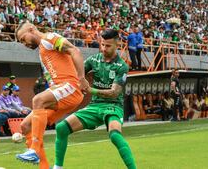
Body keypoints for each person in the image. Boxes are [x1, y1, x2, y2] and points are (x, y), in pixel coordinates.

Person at [52, 29, 136, 169]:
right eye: (102, 44)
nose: (103, 48)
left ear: (117, 44)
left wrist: (89, 89)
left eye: (108, 45)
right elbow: (76, 74)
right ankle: (57, 167)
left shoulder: (122, 66)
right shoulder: (93, 60)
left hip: (113, 106)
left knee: (115, 135)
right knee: (61, 128)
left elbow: (114, 92)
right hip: (95, 105)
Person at [14, 21, 88, 169]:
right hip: (61, 92)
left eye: (23, 39)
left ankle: (33, 150)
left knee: (38, 100)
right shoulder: (42, 48)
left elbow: (75, 51)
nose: (24, 44)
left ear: (31, 29)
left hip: (71, 87)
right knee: (26, 126)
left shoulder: (49, 38)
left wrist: (81, 78)